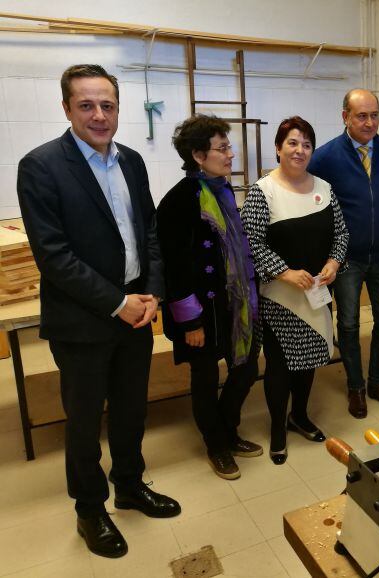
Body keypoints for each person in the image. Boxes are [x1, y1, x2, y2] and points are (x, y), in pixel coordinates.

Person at [16, 64, 180, 559]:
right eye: (86, 105)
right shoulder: (41, 166)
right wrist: (117, 302)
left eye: (107, 105)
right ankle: (90, 508)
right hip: (84, 320)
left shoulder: (130, 160)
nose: (99, 115)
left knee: (131, 411)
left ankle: (129, 484)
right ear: (66, 108)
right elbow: (54, 256)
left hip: (136, 311)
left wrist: (151, 293)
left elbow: (149, 231)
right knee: (85, 422)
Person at [156, 115, 262, 481]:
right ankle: (216, 444)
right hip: (202, 312)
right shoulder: (180, 200)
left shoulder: (222, 189)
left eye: (228, 147)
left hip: (233, 305)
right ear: (199, 155)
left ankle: (229, 430)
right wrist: (190, 322)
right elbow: (175, 267)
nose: (231, 155)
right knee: (204, 379)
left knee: (246, 368)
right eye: (223, 148)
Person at [241, 116, 348, 465]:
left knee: (310, 359)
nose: (300, 150)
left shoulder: (325, 188)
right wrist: (285, 272)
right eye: (292, 142)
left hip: (317, 294)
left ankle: (298, 416)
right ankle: (277, 429)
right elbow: (251, 244)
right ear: (278, 147)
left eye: (306, 144)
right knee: (280, 366)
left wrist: (333, 263)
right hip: (280, 298)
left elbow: (341, 235)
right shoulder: (263, 191)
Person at [308, 89, 379, 419]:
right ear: (345, 116)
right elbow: (315, 210)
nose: (370, 122)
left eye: (374, 115)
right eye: (362, 115)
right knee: (347, 324)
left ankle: (378, 383)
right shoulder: (324, 158)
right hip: (346, 260)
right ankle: (356, 387)